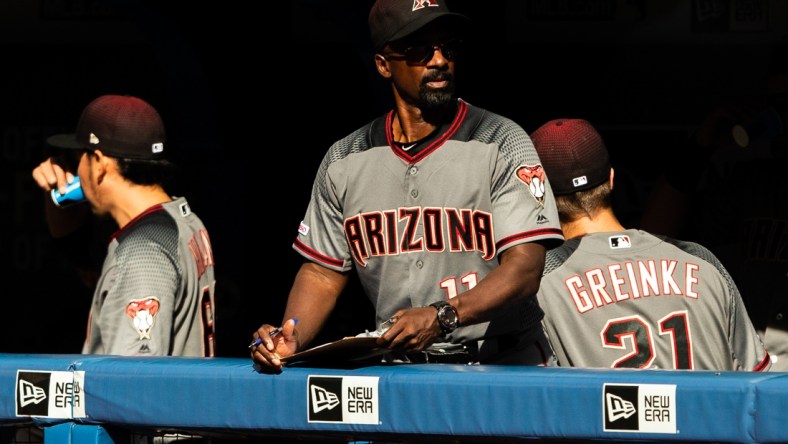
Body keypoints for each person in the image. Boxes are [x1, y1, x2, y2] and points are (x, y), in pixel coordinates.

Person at [251, 0, 563, 372]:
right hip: (404, 369)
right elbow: (322, 271)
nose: (438, 60)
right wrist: (293, 335)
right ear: (383, 64)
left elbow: (527, 268)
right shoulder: (344, 158)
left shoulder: (500, 140)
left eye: (447, 47)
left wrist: (444, 315)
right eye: (418, 49)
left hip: (503, 363)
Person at [530, 117, 771, 371]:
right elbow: (757, 382)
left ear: (538, 197)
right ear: (612, 180)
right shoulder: (704, 264)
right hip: (703, 411)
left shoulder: (538, 283)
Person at [31, 94, 217, 356]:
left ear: (98, 163)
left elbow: (129, 383)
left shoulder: (143, 250)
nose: (76, 171)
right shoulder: (180, 218)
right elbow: (74, 247)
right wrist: (56, 195)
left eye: (78, 159)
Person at [640, 46, 788, 370]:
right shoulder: (749, 183)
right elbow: (651, 238)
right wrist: (701, 149)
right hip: (754, 369)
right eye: (777, 105)